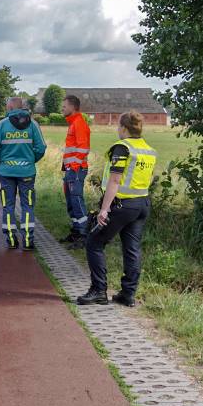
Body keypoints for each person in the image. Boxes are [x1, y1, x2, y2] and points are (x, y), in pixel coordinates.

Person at [78, 111, 158, 307]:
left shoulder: (123, 148)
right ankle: (128, 294)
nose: (116, 129)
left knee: (94, 242)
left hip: (122, 205)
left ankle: (98, 290)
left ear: (123, 128)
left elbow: (115, 180)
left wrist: (104, 210)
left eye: (118, 126)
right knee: (132, 249)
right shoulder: (148, 149)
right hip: (142, 204)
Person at [0, 97, 47, 251]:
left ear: (11, 107)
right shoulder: (33, 124)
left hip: (7, 171)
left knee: (8, 205)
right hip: (27, 171)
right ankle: (28, 240)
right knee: (28, 206)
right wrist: (30, 160)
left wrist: (4, 159)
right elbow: (41, 148)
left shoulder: (1, 125)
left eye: (7, 107)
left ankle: (11, 240)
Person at [59, 95, 92, 247]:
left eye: (64, 106)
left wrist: (74, 166)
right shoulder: (73, 123)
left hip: (76, 170)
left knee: (76, 200)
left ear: (73, 107)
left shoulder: (78, 123)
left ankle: (83, 234)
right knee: (72, 202)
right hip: (72, 170)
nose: (62, 108)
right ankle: (76, 231)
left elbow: (83, 148)